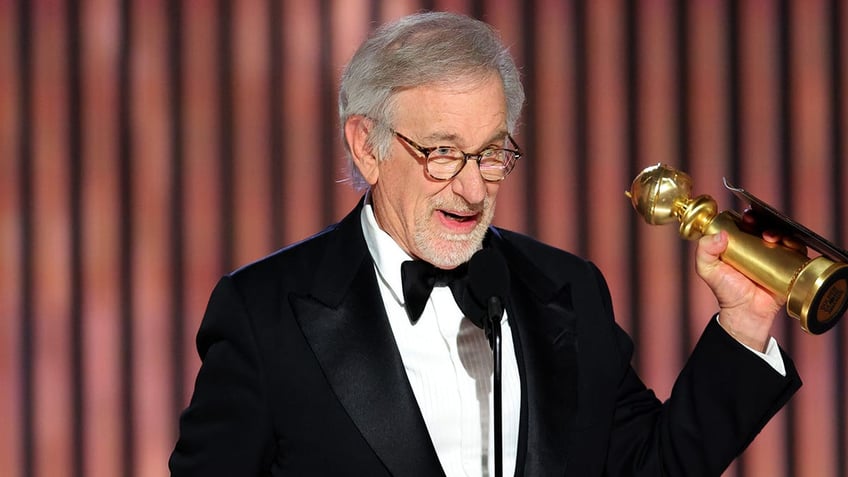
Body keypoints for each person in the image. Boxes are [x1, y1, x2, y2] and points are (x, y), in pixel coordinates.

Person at [169, 11, 800, 477]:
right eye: (442, 153)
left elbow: (649, 468)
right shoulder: (264, 312)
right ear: (367, 144)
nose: (473, 188)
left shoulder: (569, 290)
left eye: (493, 153)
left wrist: (742, 326)